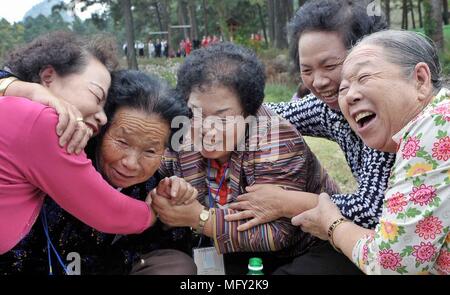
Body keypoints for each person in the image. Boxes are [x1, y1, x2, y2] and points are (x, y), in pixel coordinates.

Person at [226, 0, 393, 274]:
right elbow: (272, 114)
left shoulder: (388, 112)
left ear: (367, 54)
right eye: (307, 70)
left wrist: (287, 202)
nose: (318, 81)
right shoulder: (329, 109)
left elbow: (373, 211)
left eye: (330, 65)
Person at [151, 42, 340, 274]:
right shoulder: (182, 131)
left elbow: (277, 234)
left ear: (249, 112)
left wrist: (198, 219)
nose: (206, 129)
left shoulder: (276, 140)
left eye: (223, 119)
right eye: (195, 113)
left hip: (305, 248)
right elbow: (154, 178)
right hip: (232, 249)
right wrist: (165, 192)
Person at [0, 70, 197, 274]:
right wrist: (26, 89)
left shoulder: (157, 186)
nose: (131, 163)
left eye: (150, 151)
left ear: (165, 151)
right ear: (101, 128)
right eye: (121, 142)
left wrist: (171, 207)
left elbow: (170, 246)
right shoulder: (63, 149)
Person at [295, 30, 449, 275]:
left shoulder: (433, 129)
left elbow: (392, 265)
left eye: (364, 77)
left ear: (420, 79)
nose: (351, 96)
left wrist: (333, 224)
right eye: (343, 88)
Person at [0, 31, 155, 255]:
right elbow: (108, 212)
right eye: (96, 94)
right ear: (48, 76)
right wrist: (154, 212)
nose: (102, 118)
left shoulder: (15, 106)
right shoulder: (47, 122)